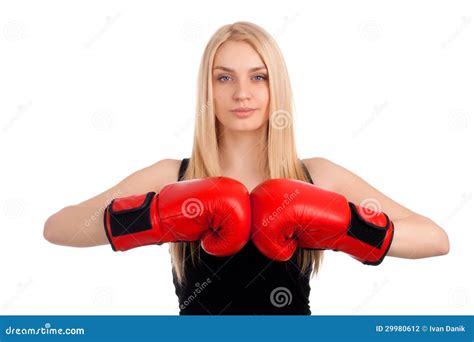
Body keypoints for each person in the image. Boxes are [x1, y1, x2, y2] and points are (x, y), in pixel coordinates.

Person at [43, 21, 450, 315]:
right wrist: (151, 216)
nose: (241, 93)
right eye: (224, 78)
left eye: (258, 77)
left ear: (277, 87)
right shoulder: (173, 177)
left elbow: (434, 238)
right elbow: (59, 227)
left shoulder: (315, 176)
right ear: (209, 88)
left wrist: (348, 225)